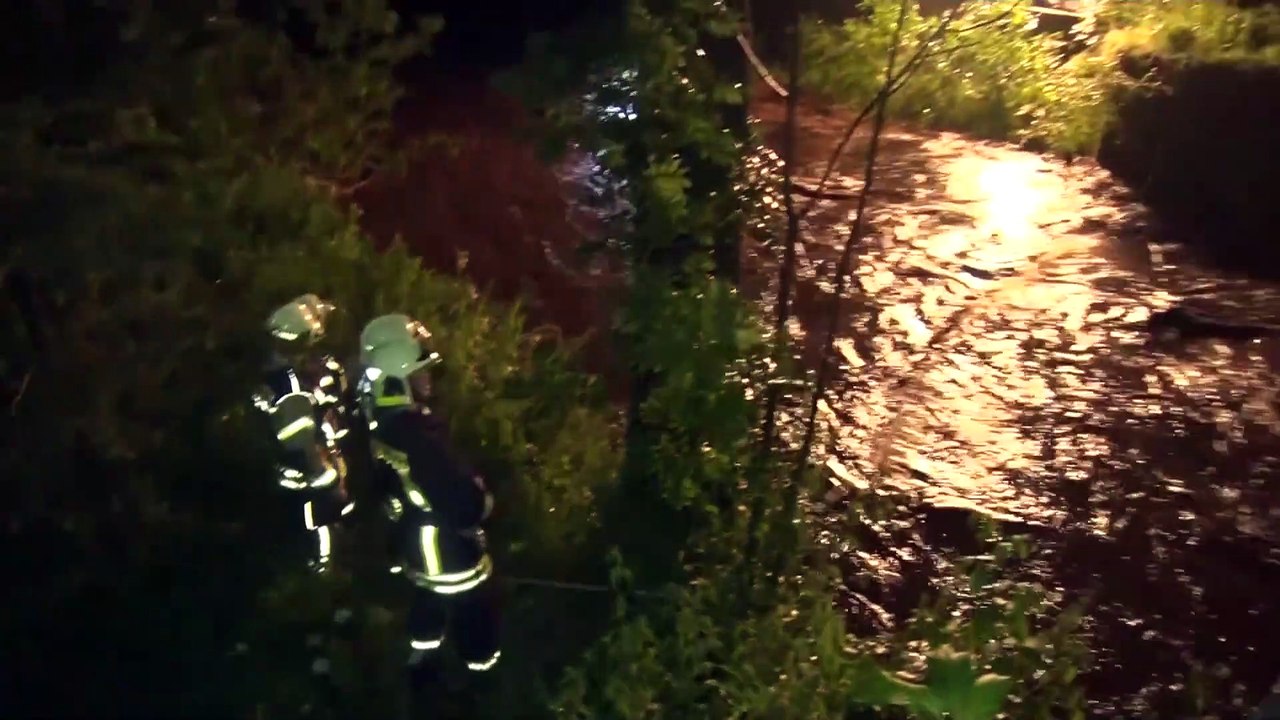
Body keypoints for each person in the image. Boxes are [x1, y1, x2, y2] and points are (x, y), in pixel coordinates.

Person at [355, 314, 501, 685]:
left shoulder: (382, 423)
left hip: (413, 548)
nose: (428, 378)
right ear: (398, 378)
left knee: (427, 606)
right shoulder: (419, 437)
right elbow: (465, 507)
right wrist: (482, 496)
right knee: (473, 615)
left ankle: (421, 660)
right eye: (419, 372)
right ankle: (480, 672)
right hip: (453, 556)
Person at [256, 294, 355, 570]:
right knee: (318, 533)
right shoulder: (289, 385)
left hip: (287, 482)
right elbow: (304, 445)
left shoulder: (273, 375)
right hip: (307, 488)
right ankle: (322, 571)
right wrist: (333, 484)